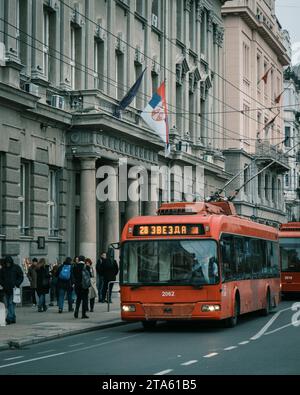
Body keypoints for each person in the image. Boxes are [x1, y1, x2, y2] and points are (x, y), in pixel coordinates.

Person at [0, 256, 24, 324]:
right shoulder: (3, 269)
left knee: (11, 303)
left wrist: (17, 283)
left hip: (14, 289)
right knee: (7, 304)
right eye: (6, 263)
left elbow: (21, 276)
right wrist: (3, 284)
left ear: (11, 262)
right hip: (6, 289)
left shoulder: (16, 267)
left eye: (9, 263)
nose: (8, 264)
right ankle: (13, 317)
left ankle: (9, 318)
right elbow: (0, 278)